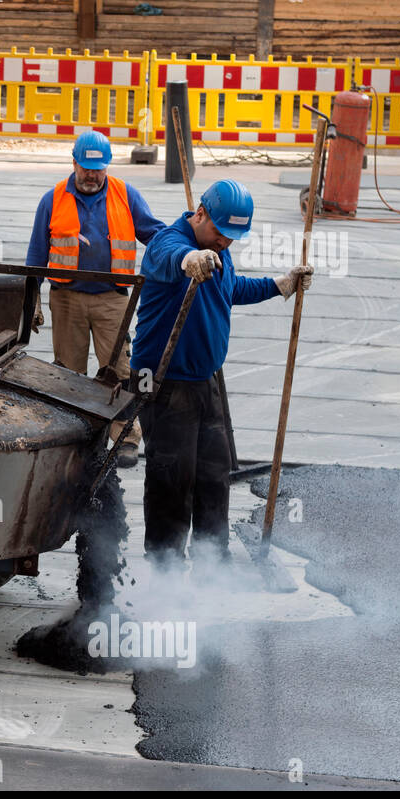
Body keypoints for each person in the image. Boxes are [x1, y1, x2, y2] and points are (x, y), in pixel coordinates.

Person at [131, 178, 312, 569]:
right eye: (219, 232)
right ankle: (165, 566)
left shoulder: (217, 250)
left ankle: (213, 560)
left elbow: (229, 289)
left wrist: (279, 285)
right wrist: (188, 260)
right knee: (172, 479)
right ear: (199, 213)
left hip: (206, 381)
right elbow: (169, 256)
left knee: (214, 476)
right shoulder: (170, 240)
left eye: (232, 237)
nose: (225, 243)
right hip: (164, 381)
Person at [25, 131, 165, 468]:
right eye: (86, 168)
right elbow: (35, 256)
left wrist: (183, 249)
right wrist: (31, 302)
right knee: (69, 375)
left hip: (112, 300)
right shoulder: (53, 199)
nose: (92, 175)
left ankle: (127, 438)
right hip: (67, 299)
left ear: (107, 167)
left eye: (98, 169)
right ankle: (76, 439)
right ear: (73, 162)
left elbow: (155, 234)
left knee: (118, 370)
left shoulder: (125, 195)